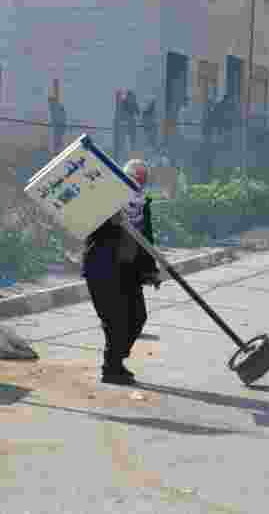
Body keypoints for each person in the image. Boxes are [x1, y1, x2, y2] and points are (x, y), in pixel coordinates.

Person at [81, 159, 162, 385]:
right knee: (115, 321)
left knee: (137, 318)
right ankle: (111, 367)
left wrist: (151, 270)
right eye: (134, 179)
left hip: (129, 272)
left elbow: (146, 240)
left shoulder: (141, 204)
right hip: (102, 270)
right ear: (123, 178)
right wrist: (108, 218)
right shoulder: (105, 200)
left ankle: (116, 360)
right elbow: (86, 225)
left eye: (142, 180)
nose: (138, 183)